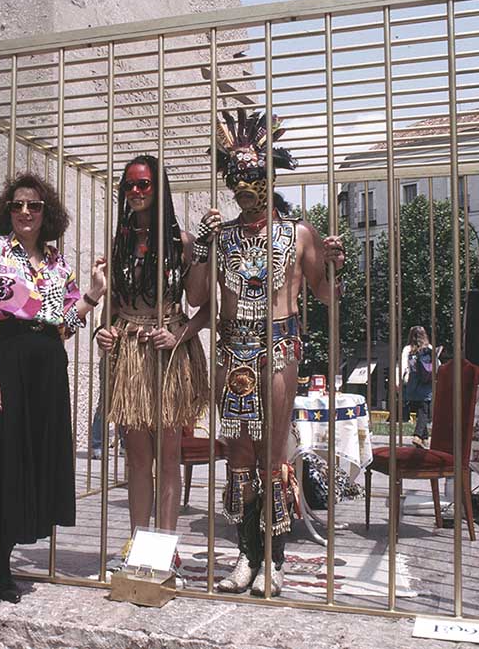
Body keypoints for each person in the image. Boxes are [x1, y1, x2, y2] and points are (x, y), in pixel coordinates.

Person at [186, 110, 345, 596]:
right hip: (232, 347)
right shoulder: (224, 236)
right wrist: (201, 249)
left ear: (270, 175)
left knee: (273, 453)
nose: (242, 184)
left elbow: (327, 295)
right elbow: (196, 297)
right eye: (235, 175)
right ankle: (245, 555)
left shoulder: (297, 233)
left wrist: (335, 263)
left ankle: (273, 561)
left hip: (278, 344)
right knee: (237, 453)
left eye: (253, 173)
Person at [0, 172, 106, 604]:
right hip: (4, 359)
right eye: (18, 205)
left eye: (34, 206)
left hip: (46, 367)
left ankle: (4, 560)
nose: (24, 212)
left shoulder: (58, 264)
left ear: (47, 213)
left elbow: (65, 327)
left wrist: (92, 296)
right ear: (8, 209)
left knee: (33, 461)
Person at [95, 155, 209, 568]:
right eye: (130, 186)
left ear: (159, 189)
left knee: (169, 455)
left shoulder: (184, 241)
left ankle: (166, 548)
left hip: (168, 354)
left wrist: (179, 333)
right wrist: (102, 332)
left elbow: (202, 304)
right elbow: (112, 306)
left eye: (144, 185)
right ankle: (138, 545)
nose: (137, 192)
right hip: (129, 354)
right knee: (137, 458)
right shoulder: (120, 240)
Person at [400, 326, 435, 450]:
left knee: (420, 409)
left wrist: (401, 381)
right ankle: (417, 435)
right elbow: (437, 364)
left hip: (412, 382)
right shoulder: (429, 348)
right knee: (424, 410)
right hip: (426, 382)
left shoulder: (407, 349)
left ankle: (424, 439)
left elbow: (403, 366)